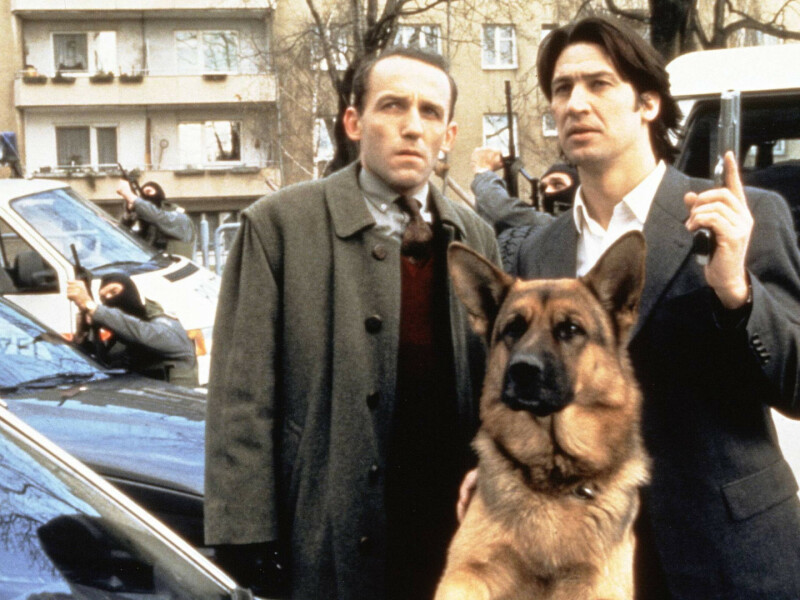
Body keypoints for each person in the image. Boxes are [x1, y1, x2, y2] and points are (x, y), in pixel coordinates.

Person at [508, 15, 800, 598]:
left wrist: (736, 291)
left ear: (648, 103)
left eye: (598, 84)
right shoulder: (541, 250)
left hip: (731, 555)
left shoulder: (740, 216)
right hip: (593, 561)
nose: (575, 103)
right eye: (562, 89)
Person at [204, 45, 499, 600]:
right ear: (354, 122)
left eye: (430, 112)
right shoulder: (279, 226)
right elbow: (241, 397)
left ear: (450, 135)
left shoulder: (474, 237)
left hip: (449, 535)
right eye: (393, 106)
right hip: (326, 531)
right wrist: (245, 534)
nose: (412, 127)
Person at [66, 272, 198, 387]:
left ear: (131, 291)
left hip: (178, 402)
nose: (109, 298)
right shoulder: (120, 340)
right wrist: (82, 336)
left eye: (114, 292)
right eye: (104, 297)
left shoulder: (167, 325)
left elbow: (145, 334)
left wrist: (90, 306)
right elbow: (100, 366)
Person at [470, 148, 579, 234]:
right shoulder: (539, 235)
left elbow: (503, 211)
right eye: (543, 188)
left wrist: (483, 173)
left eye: (558, 185)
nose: (547, 192)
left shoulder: (573, 227)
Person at [117, 179, 196, 258]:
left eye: (149, 191)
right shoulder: (147, 230)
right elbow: (120, 236)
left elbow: (158, 216)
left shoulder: (180, 218)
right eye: (143, 195)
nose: (146, 196)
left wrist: (130, 196)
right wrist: (129, 213)